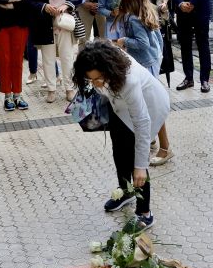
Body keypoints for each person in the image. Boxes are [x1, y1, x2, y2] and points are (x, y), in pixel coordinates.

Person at [72, 41, 169, 231]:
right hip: (119, 104)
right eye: (90, 80)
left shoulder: (128, 81)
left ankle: (144, 213)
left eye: (98, 79)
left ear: (108, 70)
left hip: (149, 106)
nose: (95, 84)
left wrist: (141, 166)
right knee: (119, 149)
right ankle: (125, 192)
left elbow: (142, 123)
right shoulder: (100, 60)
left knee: (134, 156)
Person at [128, 0, 174, 166]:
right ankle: (154, 139)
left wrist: (122, 42)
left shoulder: (138, 16)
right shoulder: (143, 11)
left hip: (148, 62)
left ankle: (165, 147)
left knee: (152, 104)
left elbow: (145, 44)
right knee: (148, 104)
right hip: (152, 59)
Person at [28, 0, 83, 103]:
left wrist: (66, 5)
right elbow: (30, 2)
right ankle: (51, 90)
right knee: (48, 58)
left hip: (65, 22)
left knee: (67, 56)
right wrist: (44, 6)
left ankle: (69, 88)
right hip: (45, 25)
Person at [114, 0, 164, 77]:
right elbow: (159, 38)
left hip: (145, 64)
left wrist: (124, 41)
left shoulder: (134, 18)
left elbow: (143, 43)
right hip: (154, 58)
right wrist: (159, 55)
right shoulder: (147, 11)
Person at [18, 0, 40, 85]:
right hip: (25, 16)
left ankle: (56, 74)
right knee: (30, 46)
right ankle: (33, 73)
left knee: (46, 46)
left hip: (39, 14)